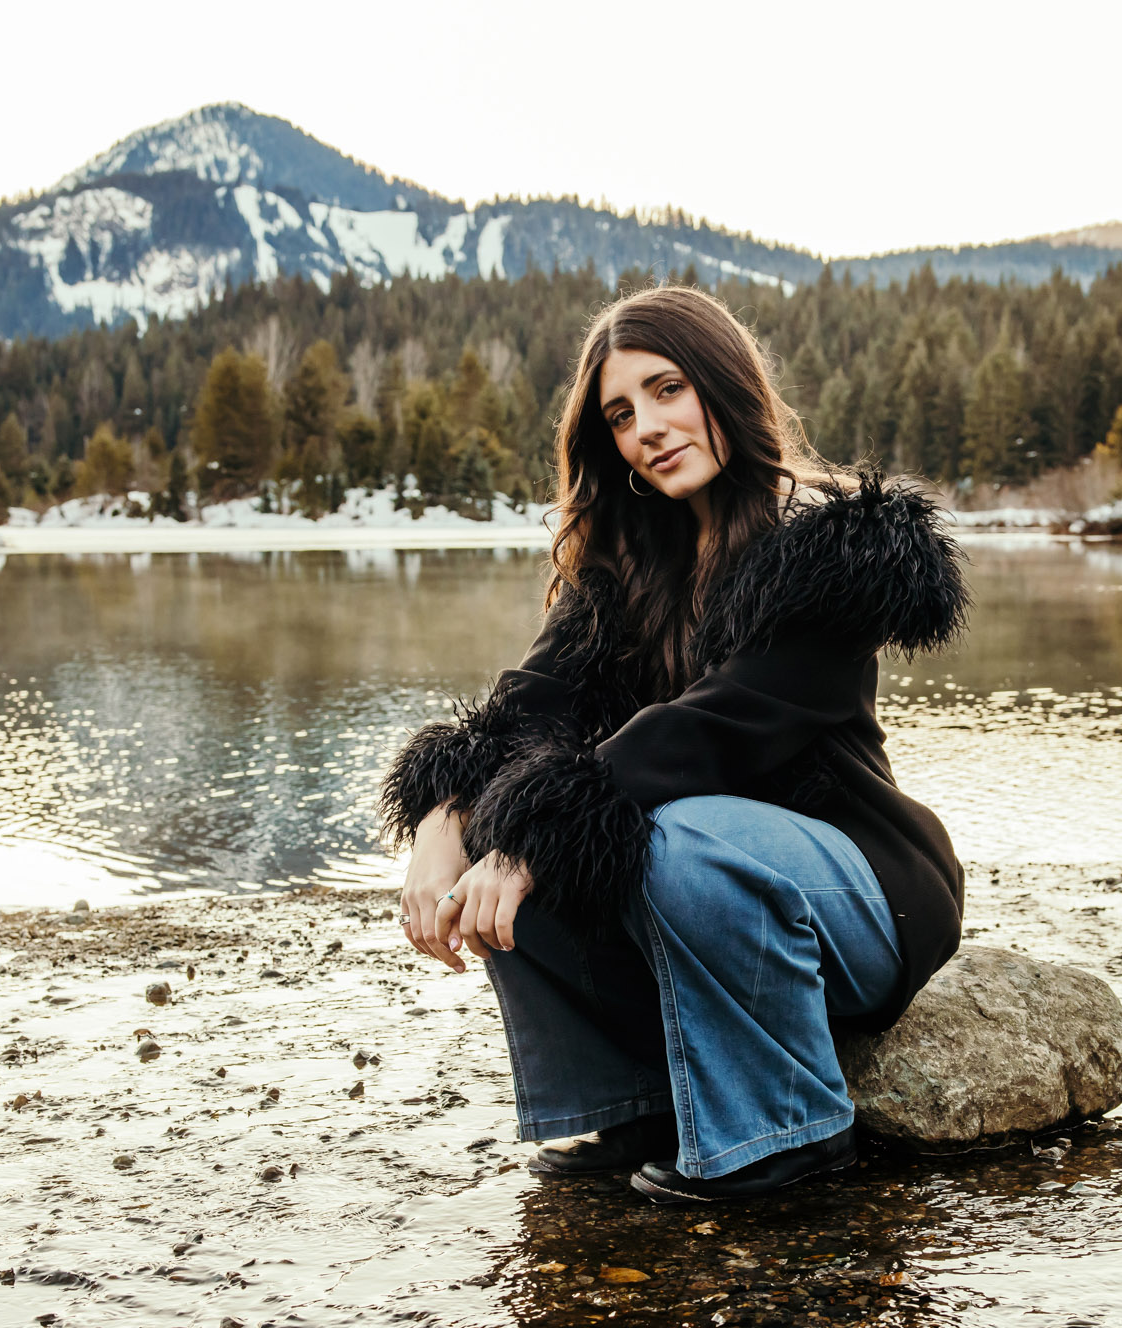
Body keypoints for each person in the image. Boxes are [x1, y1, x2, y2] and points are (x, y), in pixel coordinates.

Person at [381, 286, 967, 1204]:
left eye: (666, 390)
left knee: (652, 830)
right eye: (621, 413)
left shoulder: (832, 549)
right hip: (704, 883)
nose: (647, 427)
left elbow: (716, 727)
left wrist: (531, 833)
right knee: (512, 839)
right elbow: (529, 708)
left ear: (723, 386)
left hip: (862, 896)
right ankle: (641, 1104)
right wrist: (446, 816)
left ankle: (785, 1132)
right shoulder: (627, 566)